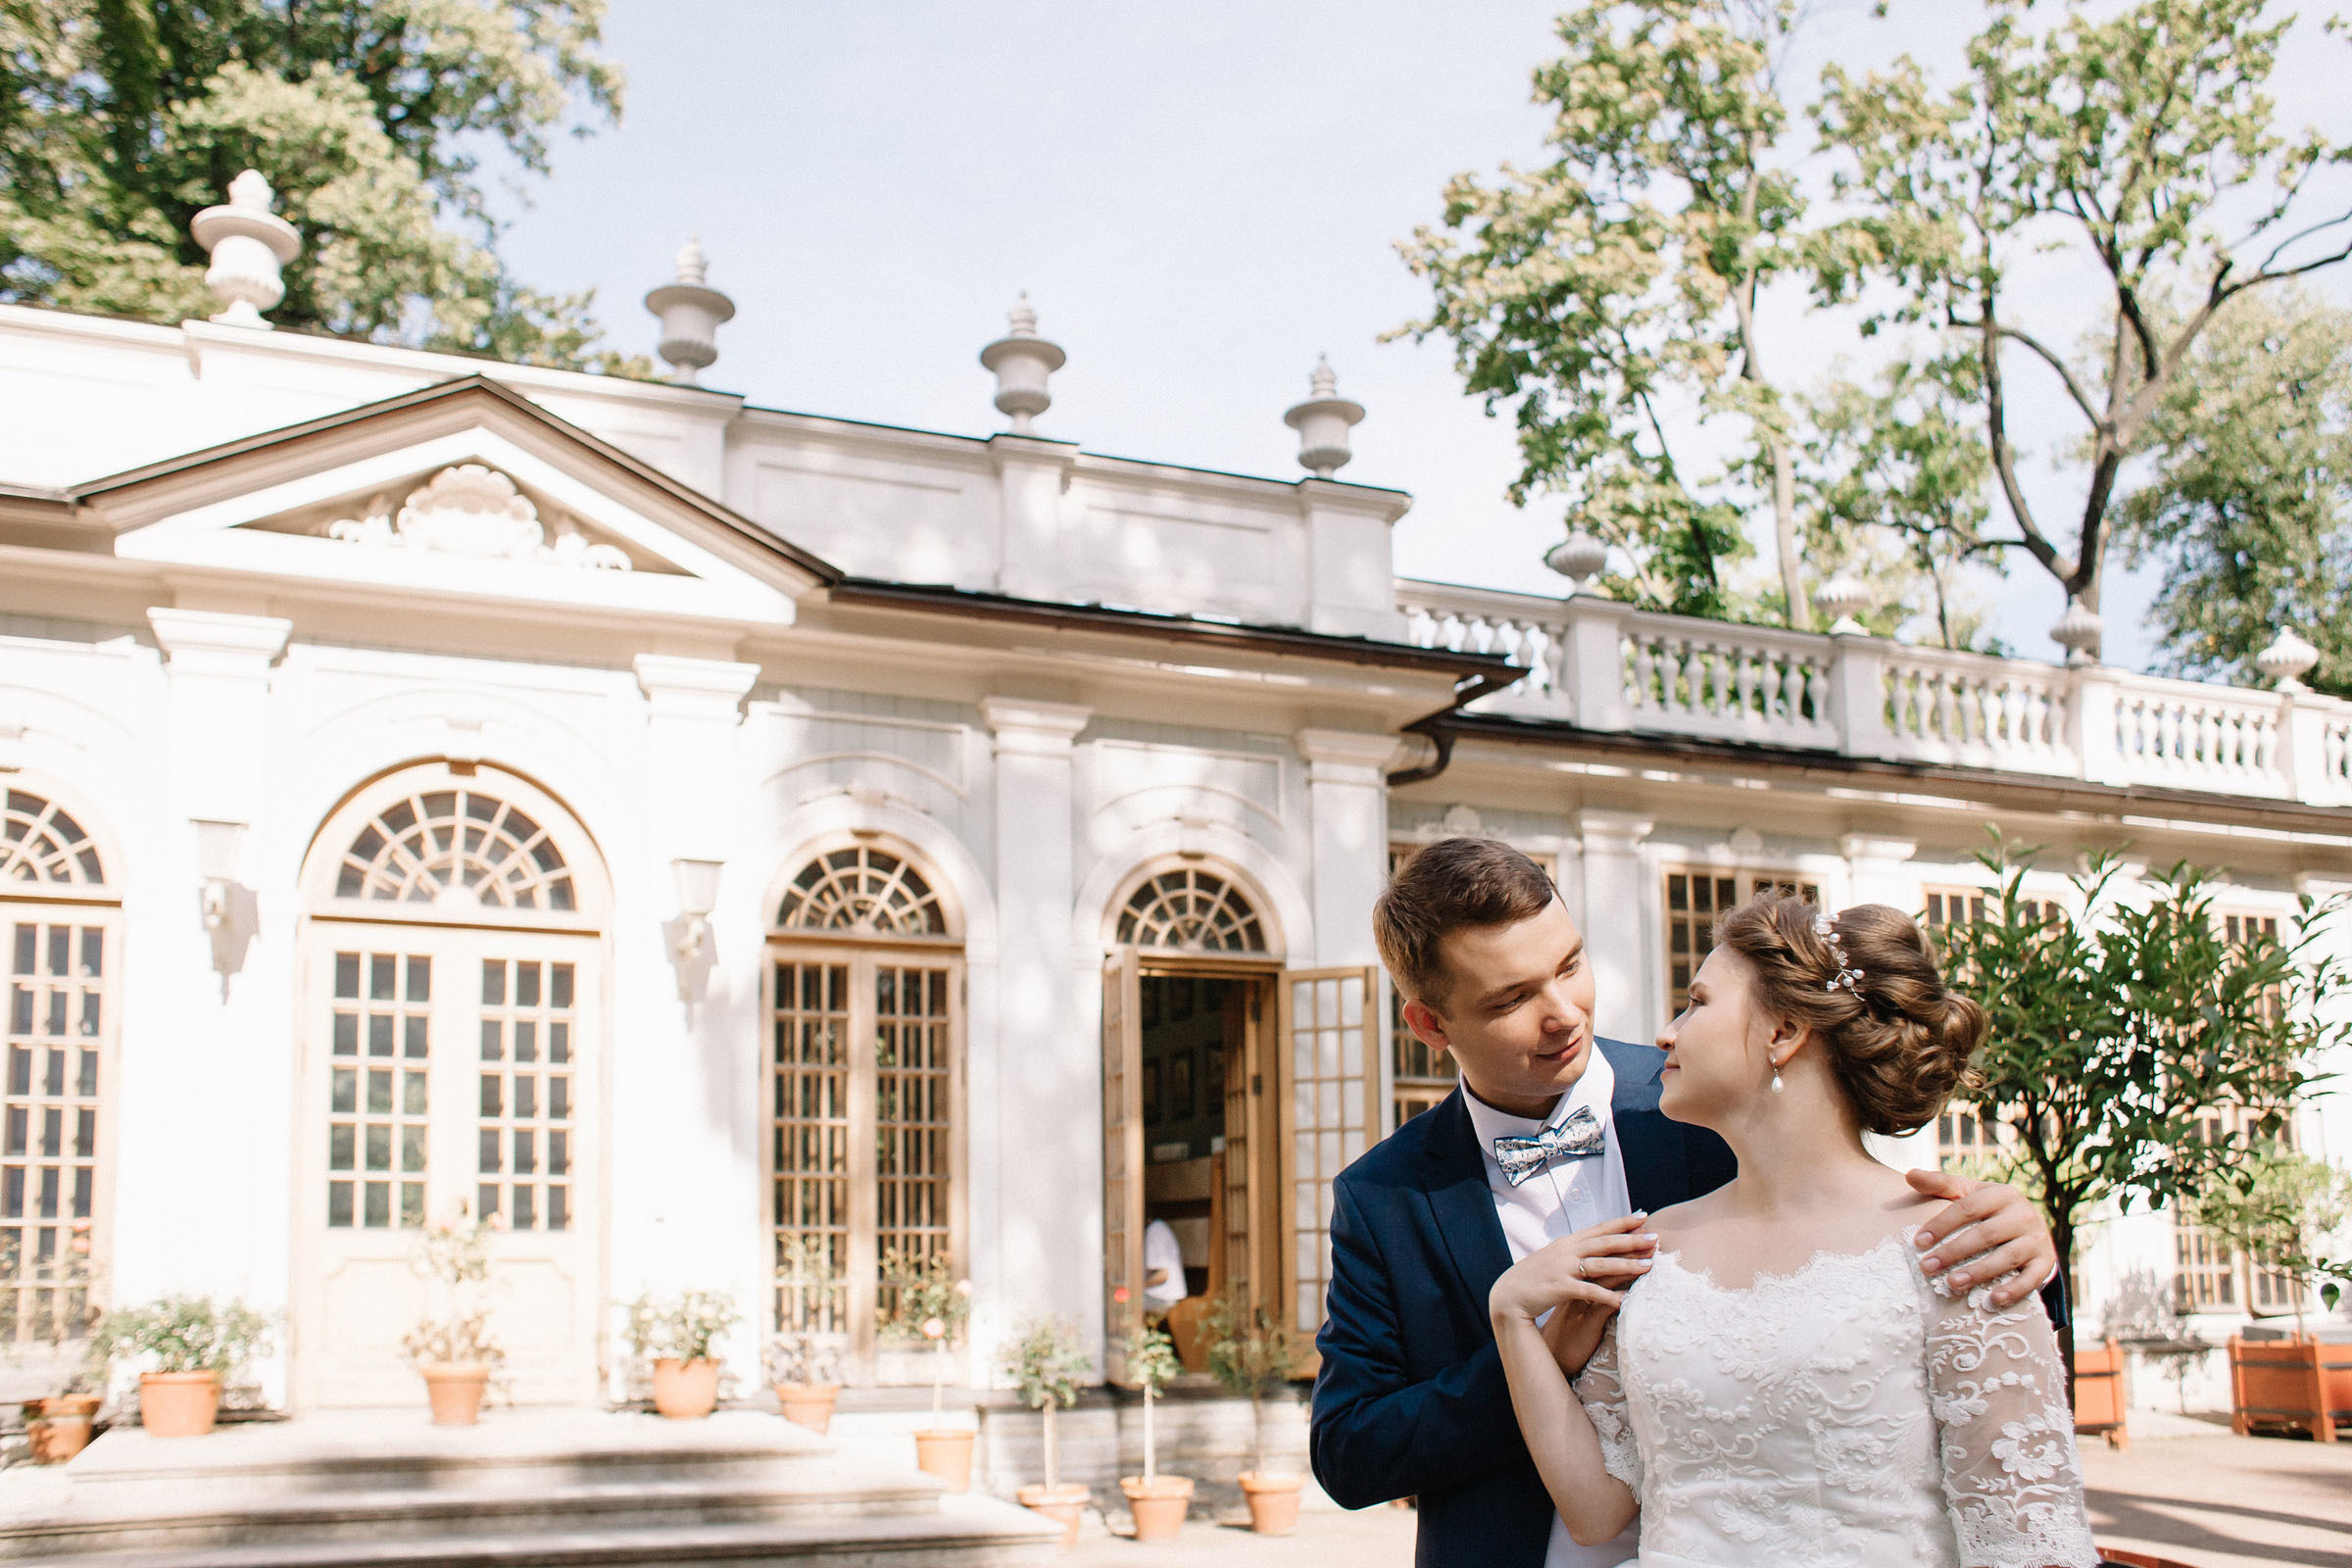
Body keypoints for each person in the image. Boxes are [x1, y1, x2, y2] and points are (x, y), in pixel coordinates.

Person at [1309, 838, 2061, 1568]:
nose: (1564, 1013)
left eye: (1570, 965)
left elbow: (1899, 1287)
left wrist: (2021, 1241)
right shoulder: (1383, 1196)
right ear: (1430, 1024)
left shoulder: (1712, 1097)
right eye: (1512, 998)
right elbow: (1349, 1451)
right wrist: (1536, 1353)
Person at [1488, 892, 2096, 1567]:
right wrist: (1511, 1315)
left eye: (1696, 1003)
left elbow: (2030, 1543)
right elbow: (1595, 1509)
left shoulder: (1954, 1244)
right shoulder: (1652, 1248)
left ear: (1782, 1032)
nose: (1666, 1034)